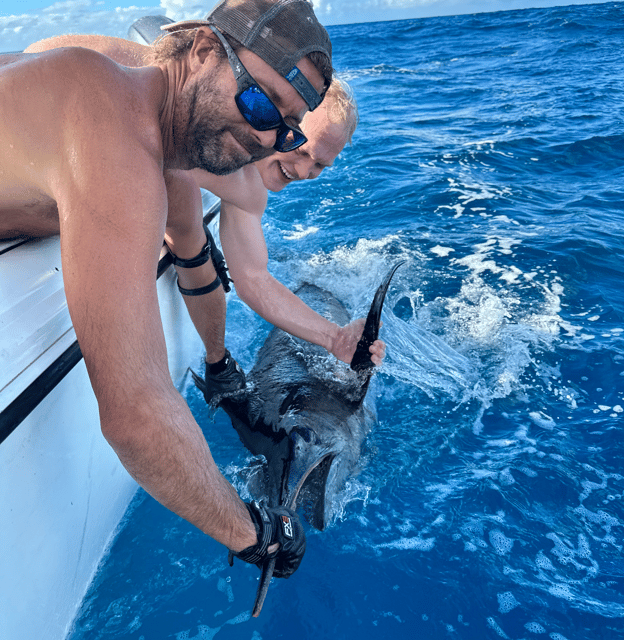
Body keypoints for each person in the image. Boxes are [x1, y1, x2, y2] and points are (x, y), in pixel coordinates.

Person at [1, 0, 335, 579]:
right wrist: (257, 534)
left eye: (282, 129)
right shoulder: (115, 134)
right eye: (258, 101)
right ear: (204, 51)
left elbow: (195, 254)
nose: (263, 137)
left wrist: (221, 368)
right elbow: (135, 415)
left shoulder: (159, 141)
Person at [26, 30, 381, 409]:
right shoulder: (175, 94)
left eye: (320, 166)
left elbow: (254, 279)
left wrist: (334, 338)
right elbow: (48, 54)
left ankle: (217, 359)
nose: (305, 170)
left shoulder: (247, 191)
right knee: (183, 207)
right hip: (48, 129)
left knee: (184, 209)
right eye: (300, 146)